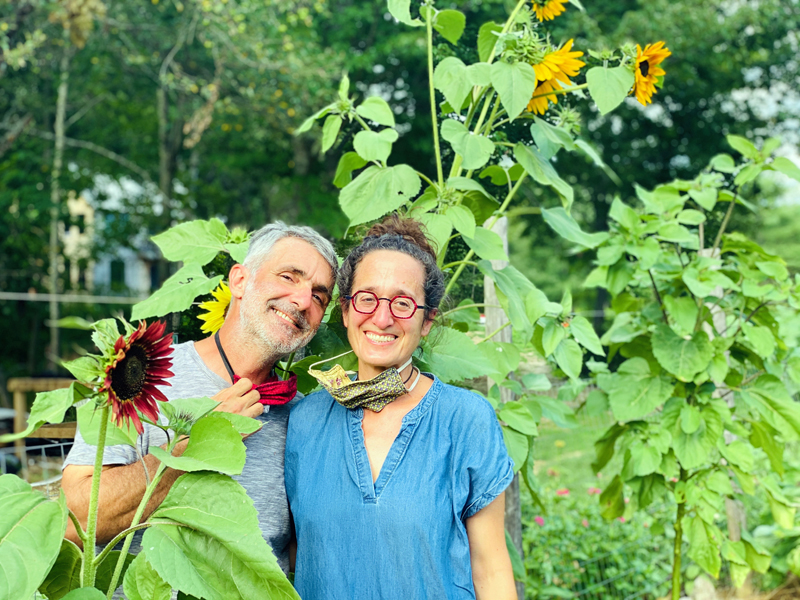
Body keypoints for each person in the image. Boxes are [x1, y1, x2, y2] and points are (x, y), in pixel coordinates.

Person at [62, 222, 337, 574]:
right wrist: (196, 445)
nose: (302, 301)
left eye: (319, 295)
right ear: (239, 281)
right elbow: (74, 521)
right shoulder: (140, 375)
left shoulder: (304, 416)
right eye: (288, 277)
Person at [285, 215, 516, 600]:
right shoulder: (304, 422)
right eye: (367, 298)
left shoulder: (466, 421)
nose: (382, 316)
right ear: (345, 311)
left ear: (427, 322)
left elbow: (490, 572)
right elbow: (297, 559)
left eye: (403, 303)